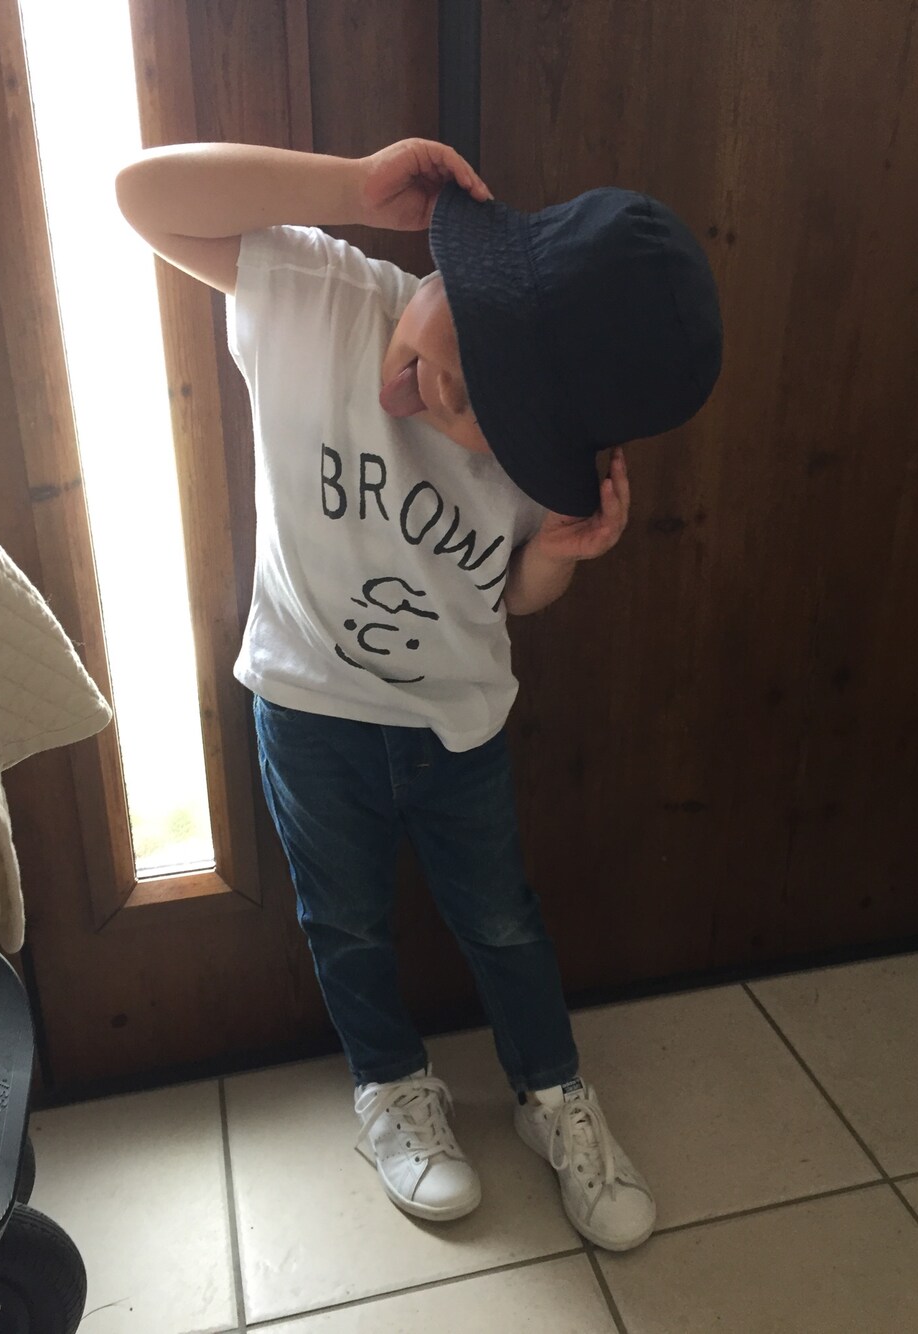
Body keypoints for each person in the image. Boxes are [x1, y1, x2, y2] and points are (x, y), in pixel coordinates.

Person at [115, 137, 722, 1252]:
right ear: (470, 275)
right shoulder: (324, 299)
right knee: (343, 920)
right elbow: (140, 193)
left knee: (501, 919)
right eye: (452, 353)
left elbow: (508, 595)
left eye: (474, 414)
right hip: (309, 708)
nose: (426, 394)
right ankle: (390, 1087)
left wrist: (558, 559)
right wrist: (348, 188)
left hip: (457, 724)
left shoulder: (541, 463)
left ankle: (552, 1091)